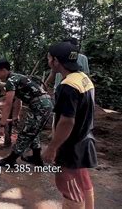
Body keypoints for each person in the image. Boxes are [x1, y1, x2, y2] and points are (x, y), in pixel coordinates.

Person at [43, 42, 97, 208]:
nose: (48, 60)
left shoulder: (67, 87)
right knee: (82, 179)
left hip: (70, 144)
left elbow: (67, 121)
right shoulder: (83, 78)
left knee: (66, 184)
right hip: (84, 138)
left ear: (55, 61)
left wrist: (52, 147)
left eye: (49, 57)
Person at [0, 59, 53, 167]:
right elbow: (18, 100)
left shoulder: (11, 81)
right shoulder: (17, 77)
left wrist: (1, 125)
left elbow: (8, 104)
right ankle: (36, 158)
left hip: (40, 106)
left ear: (4, 70)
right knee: (34, 131)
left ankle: (10, 160)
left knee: (26, 133)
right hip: (44, 104)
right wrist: (15, 116)